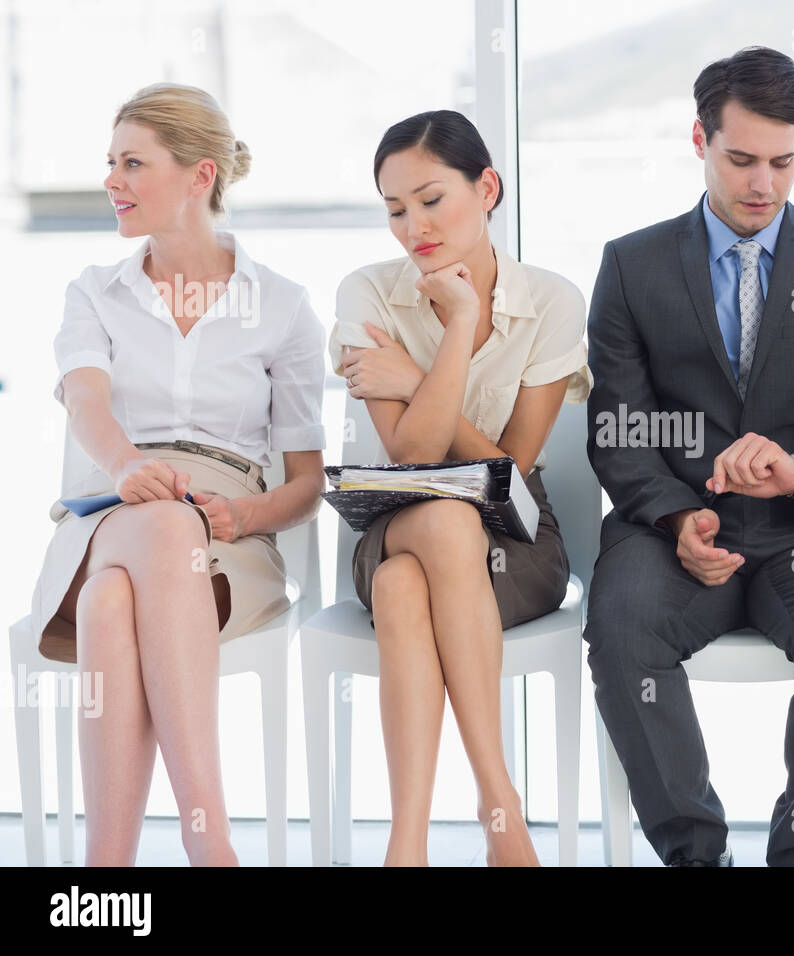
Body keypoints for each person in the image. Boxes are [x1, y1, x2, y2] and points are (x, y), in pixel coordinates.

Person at [583, 46, 794, 867]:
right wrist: (677, 513)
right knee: (621, 624)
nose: (762, 185)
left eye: (783, 161)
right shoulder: (632, 265)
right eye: (740, 160)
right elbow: (616, 426)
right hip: (675, 528)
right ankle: (696, 855)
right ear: (699, 140)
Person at [31, 83, 327, 866]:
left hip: (229, 537)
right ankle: (213, 849)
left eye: (134, 163)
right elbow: (86, 399)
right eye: (110, 162)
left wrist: (248, 517)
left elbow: (306, 481)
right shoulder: (94, 292)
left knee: (110, 604)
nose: (112, 180)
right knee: (155, 529)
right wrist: (128, 466)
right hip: (111, 509)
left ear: (200, 176)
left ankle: (104, 878)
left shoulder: (284, 306)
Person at [327, 110, 591, 867]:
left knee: (414, 581)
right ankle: (499, 805)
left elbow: (508, 471)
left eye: (432, 199)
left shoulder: (552, 300)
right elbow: (410, 452)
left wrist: (417, 374)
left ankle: (405, 847)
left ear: (488, 187)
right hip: (395, 522)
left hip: (517, 534)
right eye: (395, 210)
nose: (414, 227)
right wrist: (455, 329)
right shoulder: (368, 294)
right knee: (438, 525)